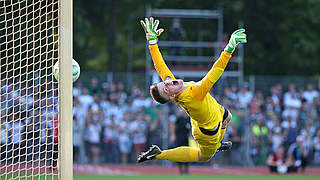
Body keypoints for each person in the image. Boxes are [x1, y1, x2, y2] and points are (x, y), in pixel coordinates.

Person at [137, 17, 247, 163]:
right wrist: (230, 46)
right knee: (203, 157)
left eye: (165, 83)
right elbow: (216, 72)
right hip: (207, 132)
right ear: (172, 97)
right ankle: (159, 153)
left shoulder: (173, 86)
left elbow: (160, 65)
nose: (168, 83)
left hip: (211, 111)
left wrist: (152, 42)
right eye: (166, 88)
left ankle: (219, 144)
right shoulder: (194, 93)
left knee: (228, 117)